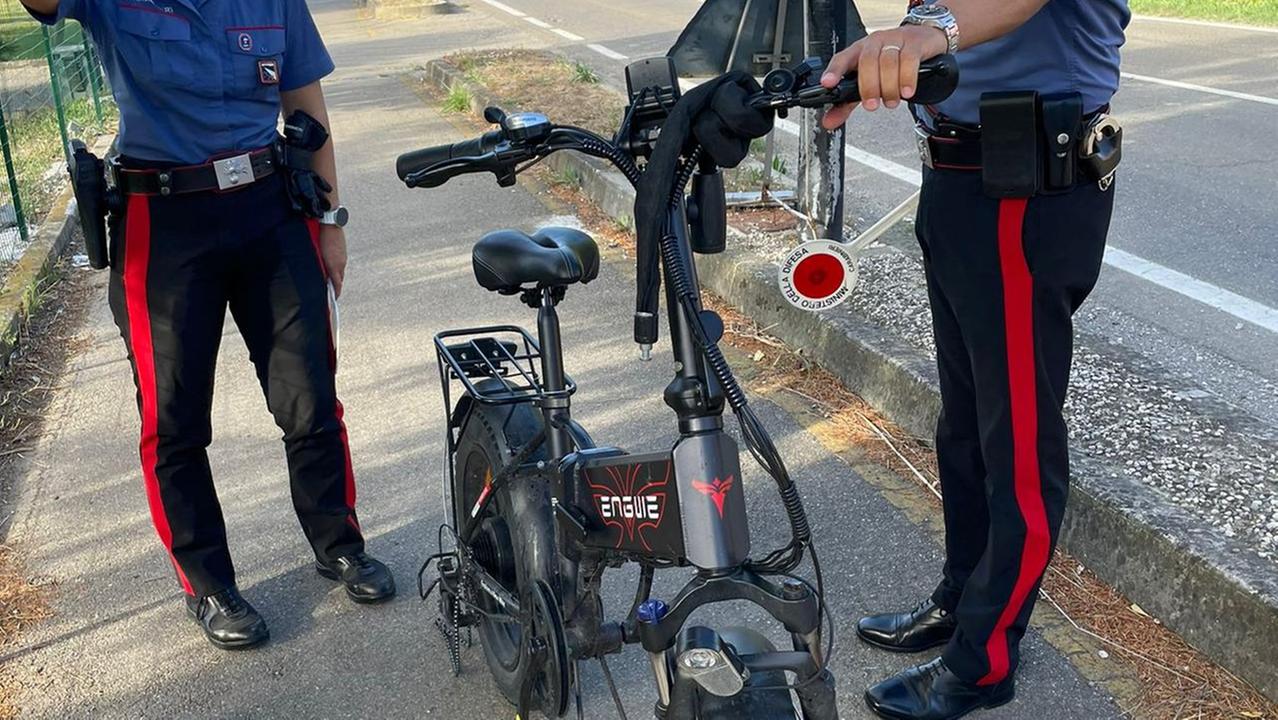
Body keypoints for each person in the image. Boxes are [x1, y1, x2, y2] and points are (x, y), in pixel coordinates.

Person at [20, 0, 395, 650]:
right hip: (162, 222)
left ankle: (339, 543)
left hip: (269, 206)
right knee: (174, 421)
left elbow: (305, 101)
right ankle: (208, 583)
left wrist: (330, 223)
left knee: (309, 394)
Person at [819, 0, 1128, 717]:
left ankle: (984, 661)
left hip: (1025, 187)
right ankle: (963, 599)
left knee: (1017, 441)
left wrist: (936, 34)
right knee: (965, 426)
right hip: (957, 174)